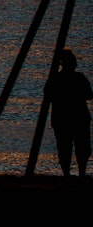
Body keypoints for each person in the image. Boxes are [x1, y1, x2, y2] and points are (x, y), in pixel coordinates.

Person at [44, 48, 92, 177]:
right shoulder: (79, 78)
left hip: (62, 118)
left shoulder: (55, 78)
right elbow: (89, 95)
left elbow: (47, 95)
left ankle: (68, 173)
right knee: (81, 147)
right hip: (78, 117)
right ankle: (80, 172)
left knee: (65, 147)